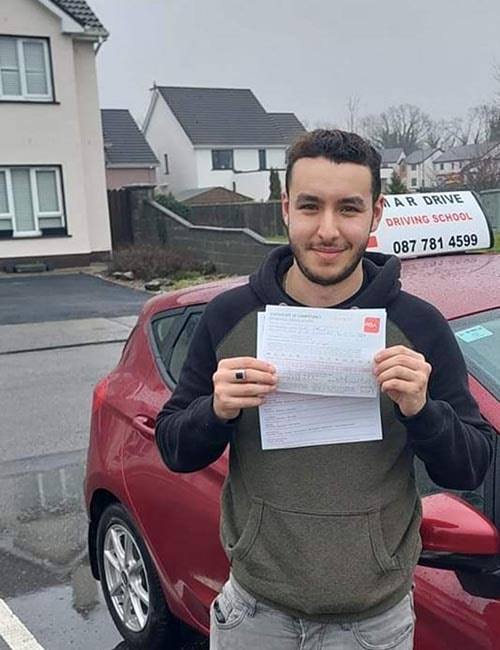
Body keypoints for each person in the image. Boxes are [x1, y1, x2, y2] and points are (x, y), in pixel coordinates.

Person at [155, 129, 494, 649]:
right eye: (311, 206)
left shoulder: (418, 326)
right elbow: (175, 447)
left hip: (373, 624)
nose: (328, 230)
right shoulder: (231, 316)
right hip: (254, 615)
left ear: (376, 214)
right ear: (286, 208)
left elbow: (470, 467)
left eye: (349, 208)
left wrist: (423, 411)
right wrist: (214, 411)